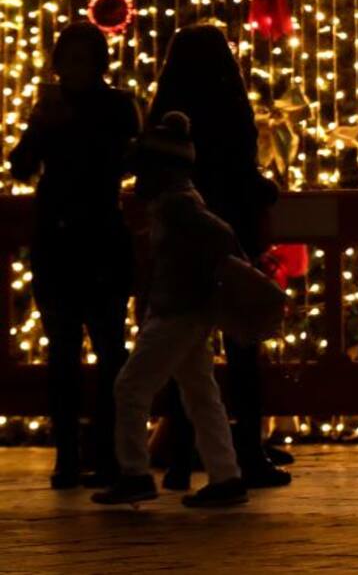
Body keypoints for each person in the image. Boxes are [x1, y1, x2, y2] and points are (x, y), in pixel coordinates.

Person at [146, 25, 289, 489]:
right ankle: (246, 451)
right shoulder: (231, 110)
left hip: (182, 251)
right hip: (231, 241)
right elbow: (245, 174)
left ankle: (182, 455)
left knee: (186, 352)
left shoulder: (168, 119)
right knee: (242, 349)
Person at [7, 23, 140, 489]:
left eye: (84, 60)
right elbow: (21, 166)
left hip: (100, 238)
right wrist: (41, 126)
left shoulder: (119, 107)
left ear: (99, 64)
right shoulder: (51, 109)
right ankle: (67, 455)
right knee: (63, 352)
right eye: (68, 60)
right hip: (58, 243)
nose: (74, 69)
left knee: (109, 351)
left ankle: (107, 453)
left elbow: (125, 163)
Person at [92, 112, 248, 508]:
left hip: (177, 310)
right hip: (190, 310)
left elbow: (219, 234)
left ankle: (134, 472)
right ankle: (225, 474)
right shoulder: (176, 201)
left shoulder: (178, 205)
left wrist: (233, 264)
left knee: (131, 387)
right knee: (200, 391)